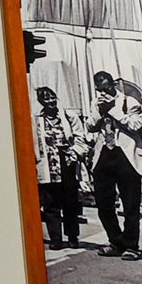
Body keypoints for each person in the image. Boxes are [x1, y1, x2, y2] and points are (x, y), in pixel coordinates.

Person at [87, 71, 142, 260]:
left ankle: (131, 245)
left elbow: (135, 125)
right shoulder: (96, 103)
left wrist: (114, 110)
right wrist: (99, 111)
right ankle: (115, 241)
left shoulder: (129, 102)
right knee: (103, 203)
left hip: (126, 156)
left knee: (130, 204)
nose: (103, 92)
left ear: (113, 84)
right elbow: (90, 126)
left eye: (106, 88)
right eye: (99, 89)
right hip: (104, 155)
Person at [33, 86, 85, 249]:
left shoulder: (68, 116)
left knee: (70, 202)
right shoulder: (36, 120)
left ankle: (72, 236)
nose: (50, 101)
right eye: (46, 99)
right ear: (41, 102)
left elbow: (80, 137)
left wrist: (74, 152)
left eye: (52, 97)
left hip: (67, 163)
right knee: (50, 204)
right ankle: (56, 238)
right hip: (47, 165)